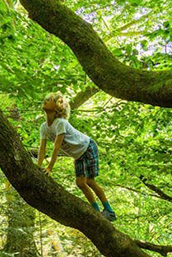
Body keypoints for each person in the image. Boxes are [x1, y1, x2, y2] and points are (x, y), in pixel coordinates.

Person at [37, 92, 117, 221]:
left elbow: (56, 147)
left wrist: (49, 168)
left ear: (58, 107)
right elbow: (42, 148)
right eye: (46, 99)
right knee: (80, 183)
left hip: (88, 147)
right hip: (78, 155)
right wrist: (38, 166)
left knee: (90, 181)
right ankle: (96, 211)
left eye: (50, 100)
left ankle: (109, 211)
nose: (46, 101)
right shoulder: (43, 127)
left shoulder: (60, 123)